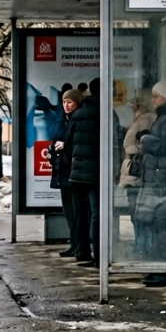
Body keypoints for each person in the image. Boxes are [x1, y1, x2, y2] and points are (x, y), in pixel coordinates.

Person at [133, 81, 166, 287]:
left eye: (157, 96)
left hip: (164, 178)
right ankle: (163, 267)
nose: (153, 99)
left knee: (164, 222)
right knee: (157, 222)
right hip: (160, 175)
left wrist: (146, 139)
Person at [65, 79, 103, 266]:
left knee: (81, 212)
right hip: (96, 172)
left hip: (77, 172)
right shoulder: (105, 113)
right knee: (97, 212)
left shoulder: (78, 115)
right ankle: (99, 255)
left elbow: (69, 142)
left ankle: (83, 251)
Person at [120, 89, 158, 255]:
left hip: (137, 168)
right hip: (133, 168)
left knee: (138, 210)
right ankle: (141, 243)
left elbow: (143, 143)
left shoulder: (146, 119)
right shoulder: (143, 118)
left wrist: (133, 149)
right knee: (136, 210)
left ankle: (142, 244)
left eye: (136, 102)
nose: (132, 105)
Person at [51, 88, 83, 257]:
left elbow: (78, 145)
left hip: (73, 171)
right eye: (64, 102)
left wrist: (64, 147)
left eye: (69, 102)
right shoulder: (63, 120)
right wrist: (54, 152)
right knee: (68, 211)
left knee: (76, 211)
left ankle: (78, 243)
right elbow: (55, 139)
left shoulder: (78, 119)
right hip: (63, 170)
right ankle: (73, 242)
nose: (66, 105)